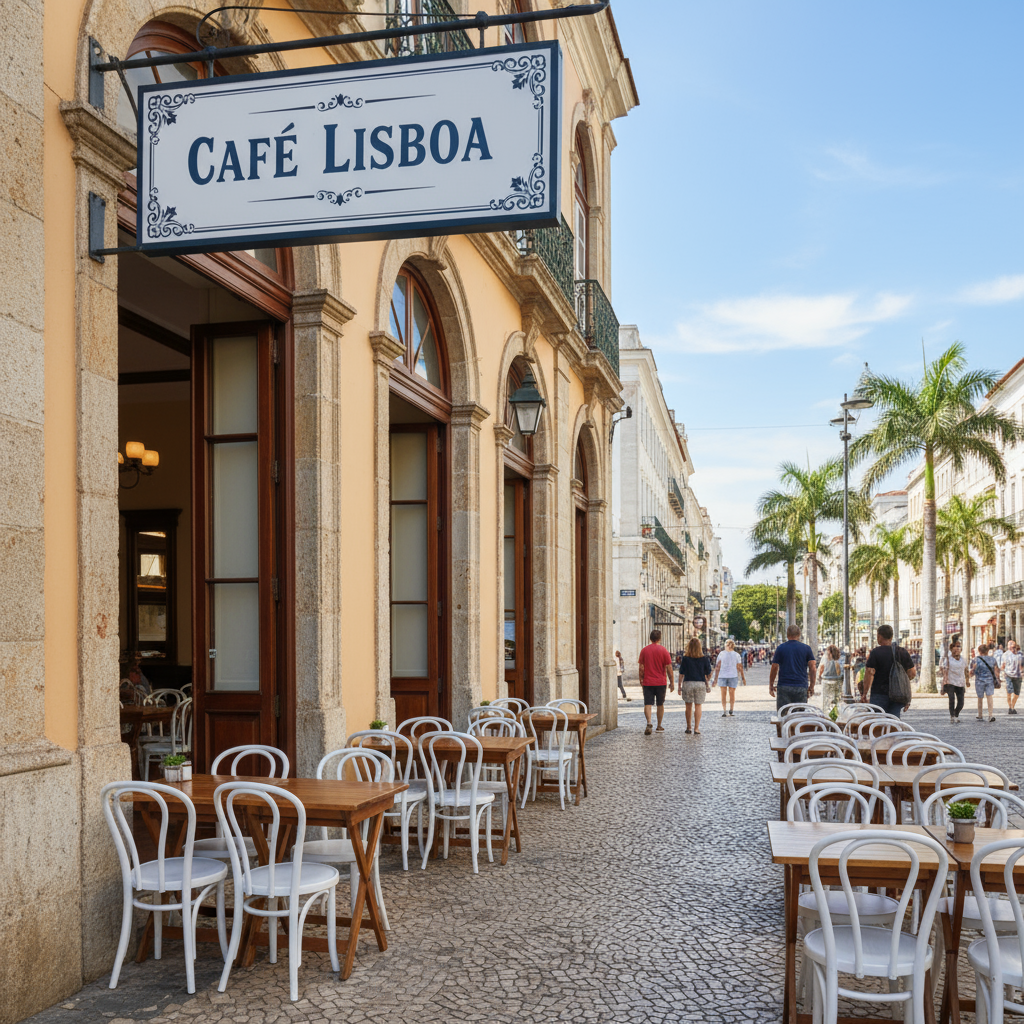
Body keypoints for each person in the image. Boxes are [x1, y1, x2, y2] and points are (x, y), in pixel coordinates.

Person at [862, 624, 916, 718]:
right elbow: (912, 673)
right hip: (898, 694)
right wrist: (900, 680)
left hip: (879, 693)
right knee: (893, 721)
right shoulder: (902, 652)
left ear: (879, 636)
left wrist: (865, 693)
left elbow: (869, 673)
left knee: (878, 723)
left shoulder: (875, 652)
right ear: (891, 637)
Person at [769, 625, 816, 710]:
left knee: (783, 714)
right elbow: (812, 667)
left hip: (784, 686)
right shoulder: (806, 648)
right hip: (801, 686)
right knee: (799, 714)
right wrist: (812, 686)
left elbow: (774, 667)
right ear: (799, 635)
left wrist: (771, 685)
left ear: (787, 635)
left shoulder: (781, 648)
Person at [637, 629, 674, 736]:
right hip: (660, 682)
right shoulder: (664, 650)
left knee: (648, 703)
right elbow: (669, 667)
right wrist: (672, 682)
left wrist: (641, 679)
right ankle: (659, 725)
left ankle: (649, 722)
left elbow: (641, 667)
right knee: (660, 704)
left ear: (650, 638)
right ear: (659, 638)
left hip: (648, 682)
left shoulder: (644, 650)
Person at [678, 637, 713, 734]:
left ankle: (689, 727)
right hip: (700, 683)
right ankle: (696, 728)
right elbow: (709, 672)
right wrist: (707, 679)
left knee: (688, 706)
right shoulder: (704, 659)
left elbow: (681, 673)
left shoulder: (685, 659)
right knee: (698, 706)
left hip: (688, 683)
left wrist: (679, 686)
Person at [712, 638, 746, 717]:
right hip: (732, 676)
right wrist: (743, 678)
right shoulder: (736, 655)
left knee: (723, 694)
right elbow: (740, 667)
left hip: (723, 676)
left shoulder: (721, 654)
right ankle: (731, 710)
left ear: (727, 645)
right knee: (732, 694)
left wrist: (715, 679)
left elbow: (717, 667)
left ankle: (725, 710)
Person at [971, 643, 1001, 723]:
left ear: (979, 651)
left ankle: (980, 714)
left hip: (979, 681)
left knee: (980, 698)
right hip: (990, 681)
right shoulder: (993, 659)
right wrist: (998, 679)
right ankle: (990, 715)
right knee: (989, 697)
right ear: (987, 651)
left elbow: (972, 671)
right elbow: (996, 670)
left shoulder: (975, 659)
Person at [940, 640, 967, 723]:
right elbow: (943, 671)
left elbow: (966, 670)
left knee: (961, 703)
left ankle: (956, 714)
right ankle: (952, 716)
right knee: (951, 700)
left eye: (958, 647)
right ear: (951, 650)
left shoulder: (963, 660)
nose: (957, 649)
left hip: (960, 682)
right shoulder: (948, 660)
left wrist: (967, 680)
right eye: (955, 647)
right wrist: (944, 682)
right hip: (950, 682)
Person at [1004, 640, 1023, 715]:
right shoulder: (1006, 654)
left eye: (1014, 647)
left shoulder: (1021, 654)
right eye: (1011, 647)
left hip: (1018, 676)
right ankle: (1010, 708)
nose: (1013, 648)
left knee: (1017, 694)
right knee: (1009, 693)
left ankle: (1012, 706)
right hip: (1008, 675)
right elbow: (1002, 665)